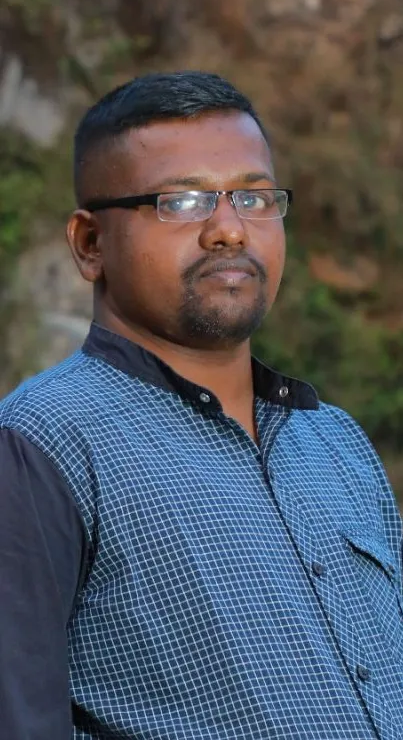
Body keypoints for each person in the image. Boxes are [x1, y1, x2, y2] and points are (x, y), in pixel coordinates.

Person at [0, 71, 402, 740]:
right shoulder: (38, 445)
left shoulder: (333, 442)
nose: (228, 231)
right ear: (89, 244)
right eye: (180, 201)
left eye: (253, 198)